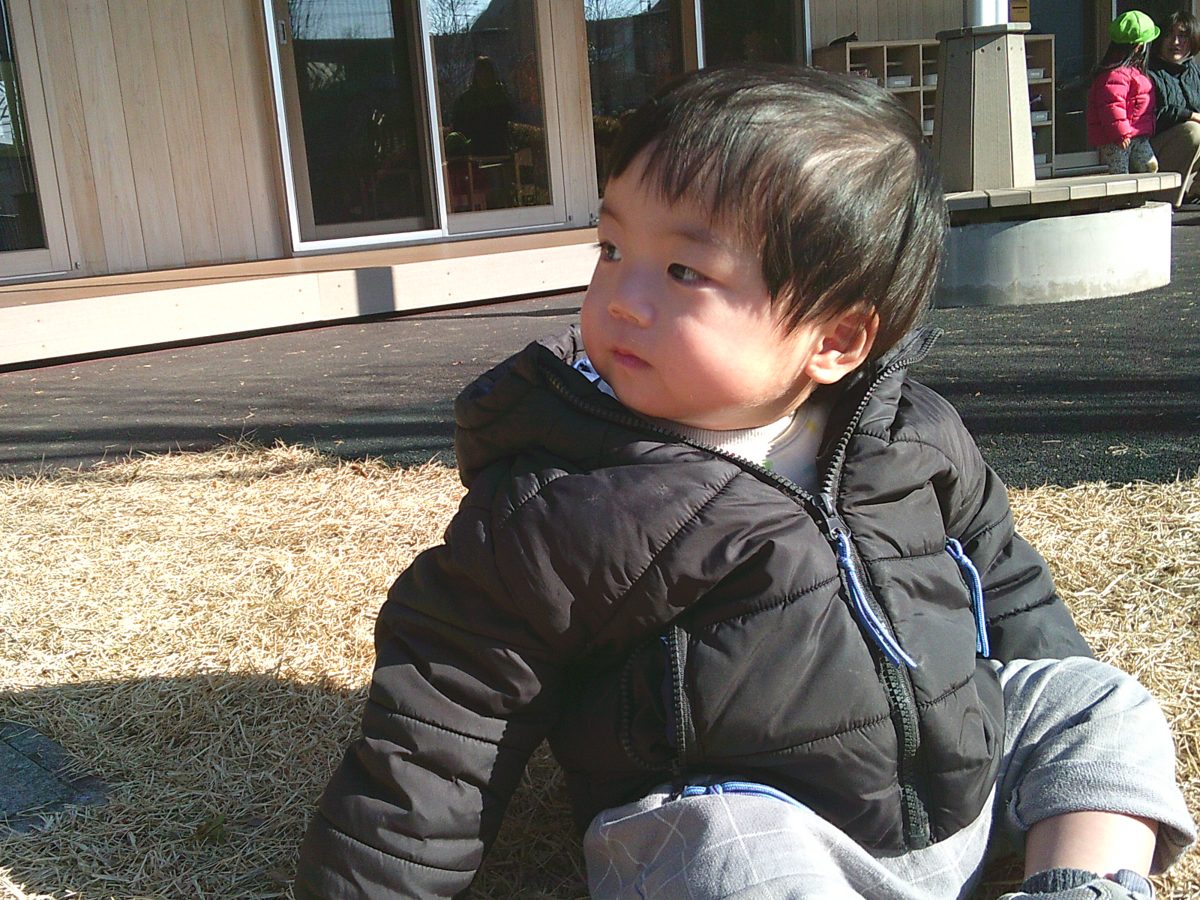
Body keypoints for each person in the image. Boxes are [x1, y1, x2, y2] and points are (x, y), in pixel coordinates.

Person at [294, 66, 1194, 899]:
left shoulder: (910, 435)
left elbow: (1005, 581)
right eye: (611, 248)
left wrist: (1038, 692)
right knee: (719, 845)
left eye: (684, 270)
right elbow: (445, 721)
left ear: (837, 340)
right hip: (763, 826)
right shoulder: (563, 499)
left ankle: (1078, 882)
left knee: (1094, 699)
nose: (622, 298)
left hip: (965, 792)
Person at [1087, 11, 1160, 175]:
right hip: (1116, 138)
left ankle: (1140, 192)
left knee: (1149, 166)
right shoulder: (1115, 75)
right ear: (1139, 46)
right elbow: (1111, 107)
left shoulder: (1132, 72)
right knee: (1120, 173)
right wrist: (1120, 134)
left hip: (1136, 135)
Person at [1148, 11, 1200, 206]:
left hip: (1184, 146)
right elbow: (1152, 116)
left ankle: (1195, 192)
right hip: (1151, 150)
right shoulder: (1148, 70)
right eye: (1169, 35)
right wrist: (1190, 115)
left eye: (1183, 36)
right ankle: (1166, 201)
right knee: (1193, 131)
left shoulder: (1192, 70)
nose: (1175, 42)